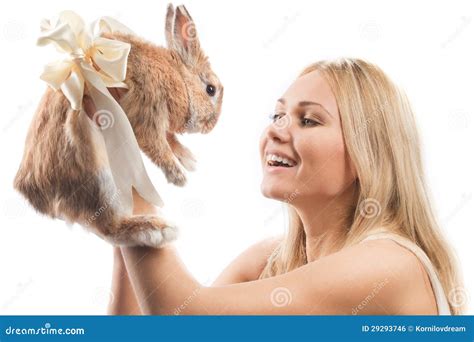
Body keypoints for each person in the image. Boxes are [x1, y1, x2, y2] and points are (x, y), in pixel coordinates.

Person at [89, 58, 464, 315]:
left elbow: (182, 314)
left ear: (370, 154)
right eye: (279, 114)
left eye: (309, 120)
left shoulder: (391, 265)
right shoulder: (267, 262)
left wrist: (125, 158)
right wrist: (122, 206)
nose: (275, 130)